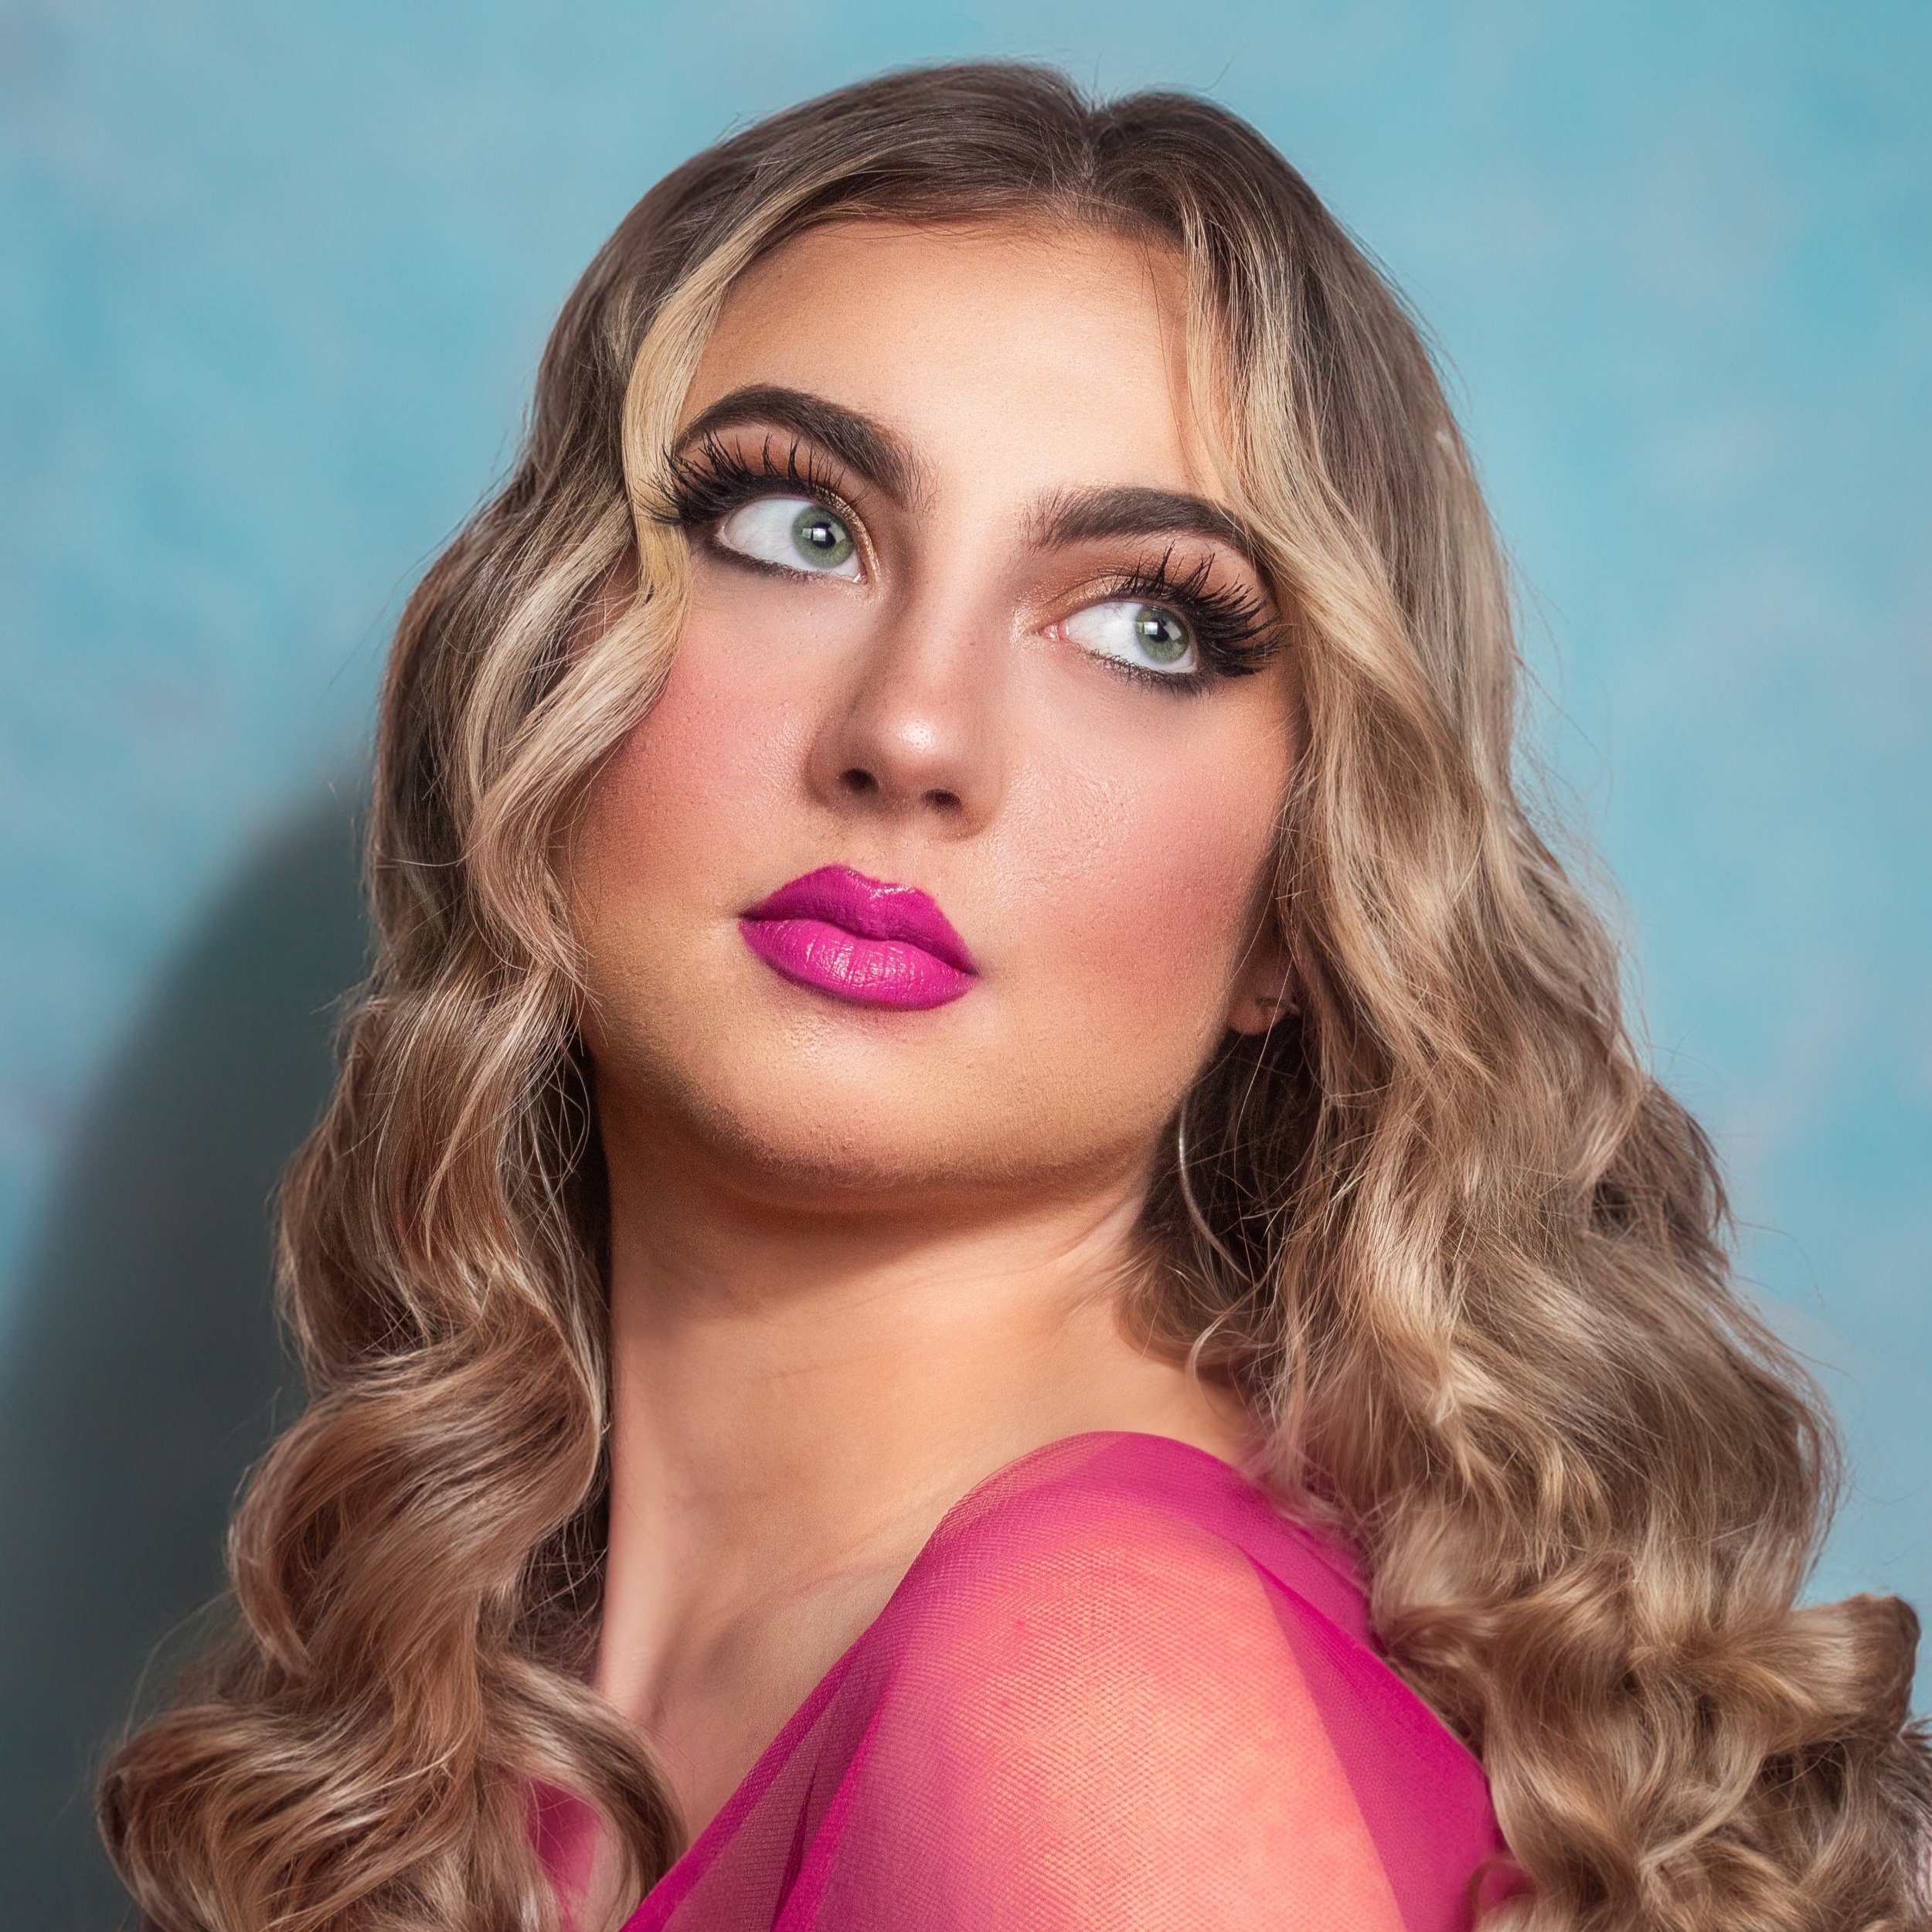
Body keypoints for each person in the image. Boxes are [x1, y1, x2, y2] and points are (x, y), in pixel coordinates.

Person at [99, 62, 1930, 1932]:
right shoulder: (510, 1713)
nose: (910, 732)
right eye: (794, 528)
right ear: (538, 674)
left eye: (1148, 626)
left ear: (1301, 907)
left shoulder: (1085, 1687)